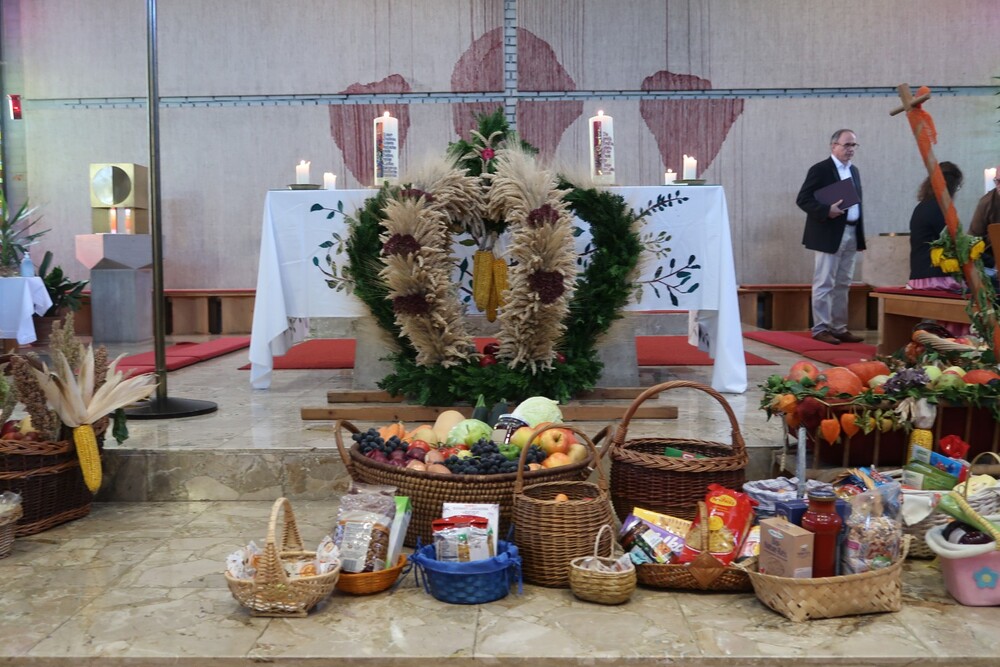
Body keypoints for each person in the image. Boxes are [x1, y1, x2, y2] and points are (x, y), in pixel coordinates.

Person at [796, 129, 866, 345]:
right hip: (829, 232)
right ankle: (821, 328)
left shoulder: (853, 170)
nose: (851, 149)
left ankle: (839, 327)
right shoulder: (821, 169)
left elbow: (857, 203)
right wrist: (826, 210)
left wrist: (859, 235)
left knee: (843, 283)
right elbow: (803, 199)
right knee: (825, 282)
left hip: (851, 230)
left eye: (854, 145)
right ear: (833, 146)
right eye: (847, 145)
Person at [907, 161, 964, 292]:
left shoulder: (921, 207)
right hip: (935, 278)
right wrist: (991, 261)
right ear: (951, 186)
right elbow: (958, 242)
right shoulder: (939, 208)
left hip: (917, 277)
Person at [969, 165, 1000, 280]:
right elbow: (972, 241)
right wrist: (992, 263)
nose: (999, 186)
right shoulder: (986, 203)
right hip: (994, 264)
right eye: (997, 181)